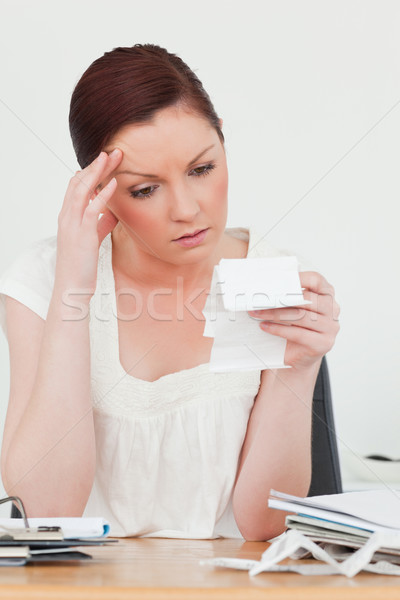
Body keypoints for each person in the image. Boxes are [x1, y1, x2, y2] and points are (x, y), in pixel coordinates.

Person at [0, 44, 340, 541]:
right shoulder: (43, 278)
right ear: (98, 189)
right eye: (145, 189)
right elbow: (46, 511)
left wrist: (302, 365)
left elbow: (264, 526)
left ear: (222, 138)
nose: (186, 209)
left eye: (202, 169)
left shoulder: (271, 280)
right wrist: (73, 285)